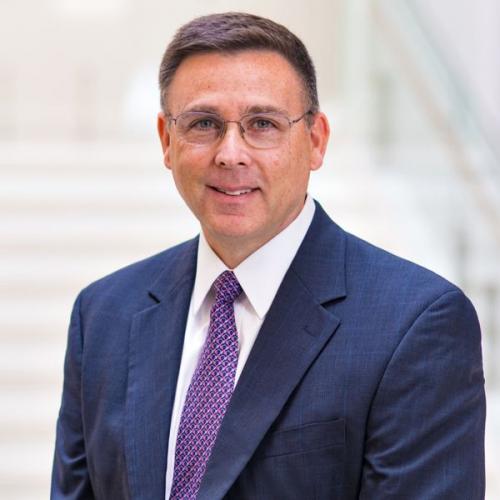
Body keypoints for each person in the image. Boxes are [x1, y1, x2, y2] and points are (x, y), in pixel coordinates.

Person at [51, 12, 485, 500]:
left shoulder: (416, 324)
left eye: (263, 124)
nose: (230, 154)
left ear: (316, 140)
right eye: (203, 124)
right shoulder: (103, 315)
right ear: (167, 141)